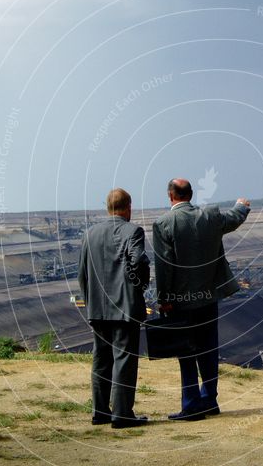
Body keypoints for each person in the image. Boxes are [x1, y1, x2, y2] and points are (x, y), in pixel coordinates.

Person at [152, 178, 250, 420]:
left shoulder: (163, 224)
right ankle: (209, 400)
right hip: (208, 298)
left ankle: (191, 405)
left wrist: (163, 298)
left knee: (186, 352)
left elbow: (164, 266)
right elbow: (234, 219)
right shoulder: (210, 217)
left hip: (180, 302)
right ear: (190, 195)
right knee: (208, 349)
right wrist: (241, 206)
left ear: (170, 196)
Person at [78, 187, 150, 429]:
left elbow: (82, 274)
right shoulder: (133, 231)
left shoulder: (89, 234)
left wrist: (90, 302)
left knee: (101, 359)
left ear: (107, 208)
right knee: (124, 360)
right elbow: (138, 260)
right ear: (129, 207)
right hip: (125, 308)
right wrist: (140, 285)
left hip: (97, 309)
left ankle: (100, 412)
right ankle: (122, 414)